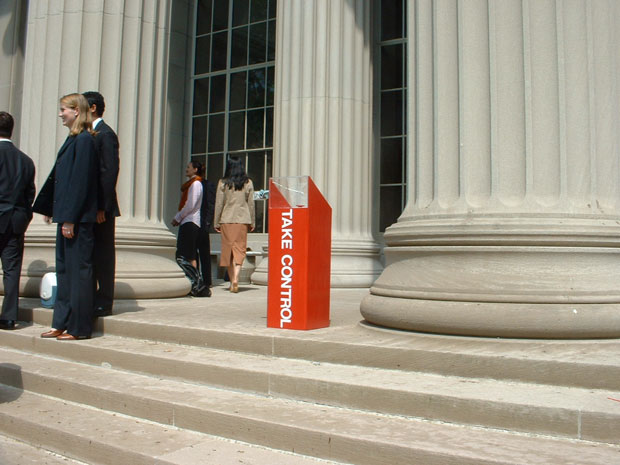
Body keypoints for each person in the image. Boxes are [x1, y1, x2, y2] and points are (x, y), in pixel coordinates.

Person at [34, 93, 99, 340]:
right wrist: (53, 210)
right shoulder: (73, 140)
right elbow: (62, 180)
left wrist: (69, 217)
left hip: (78, 220)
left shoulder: (84, 141)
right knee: (64, 271)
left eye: (64, 109)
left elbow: (80, 183)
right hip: (68, 216)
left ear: (76, 111)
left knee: (78, 273)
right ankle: (60, 322)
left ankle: (79, 327)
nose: (61, 114)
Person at [83, 91, 120, 317]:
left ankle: (104, 301)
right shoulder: (88, 134)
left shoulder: (106, 134)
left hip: (101, 208)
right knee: (92, 254)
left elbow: (109, 172)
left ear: (93, 108)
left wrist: (101, 207)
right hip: (90, 207)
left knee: (104, 255)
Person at [0, 112, 36, 330]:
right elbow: (29, 195)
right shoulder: (26, 161)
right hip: (16, 221)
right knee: (12, 270)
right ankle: (9, 317)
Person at [214, 156, 255, 293]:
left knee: (228, 251)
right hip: (242, 219)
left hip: (226, 219)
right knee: (240, 249)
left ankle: (232, 281)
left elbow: (219, 203)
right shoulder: (248, 183)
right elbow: (251, 204)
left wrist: (216, 221)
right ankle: (237, 277)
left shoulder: (223, 183)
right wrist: (252, 221)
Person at [173, 160, 210, 297]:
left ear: (195, 169)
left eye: (189, 167)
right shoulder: (191, 185)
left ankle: (196, 283)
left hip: (190, 222)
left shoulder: (196, 184)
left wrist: (178, 217)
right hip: (188, 222)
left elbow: (190, 205)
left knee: (189, 255)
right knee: (190, 254)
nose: (186, 169)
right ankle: (194, 282)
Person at [197, 175, 216, 289]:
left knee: (204, 253)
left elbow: (211, 204)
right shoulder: (189, 185)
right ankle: (196, 277)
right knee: (193, 253)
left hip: (203, 223)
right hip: (192, 222)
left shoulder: (208, 185)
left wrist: (208, 222)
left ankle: (207, 280)